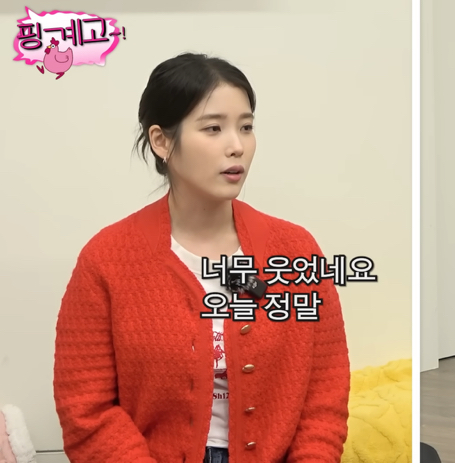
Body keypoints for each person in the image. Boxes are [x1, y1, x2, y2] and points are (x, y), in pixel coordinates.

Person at [53, 53, 351, 463]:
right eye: (213, 128)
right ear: (161, 141)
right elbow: (86, 409)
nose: (237, 146)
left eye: (246, 127)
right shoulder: (107, 259)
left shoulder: (295, 249)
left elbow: (325, 393)